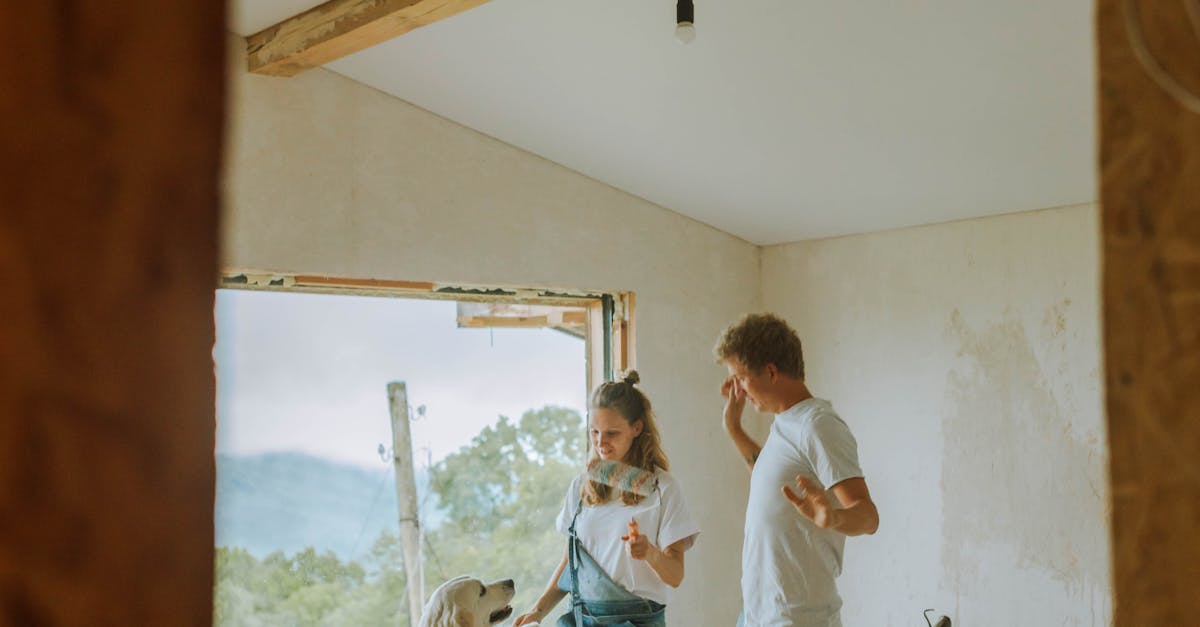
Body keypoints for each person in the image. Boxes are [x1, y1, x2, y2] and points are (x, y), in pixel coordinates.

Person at [715, 313, 879, 627]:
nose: (737, 389)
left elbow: (869, 517)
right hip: (759, 616)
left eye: (741, 378)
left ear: (771, 371)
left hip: (798, 619)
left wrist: (834, 518)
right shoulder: (787, 423)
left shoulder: (818, 425)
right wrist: (733, 427)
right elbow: (773, 485)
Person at [514, 370, 700, 627]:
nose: (601, 443)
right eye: (594, 432)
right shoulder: (581, 486)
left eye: (612, 433)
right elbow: (571, 561)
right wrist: (538, 610)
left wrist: (649, 552)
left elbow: (675, 575)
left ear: (637, 428)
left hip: (637, 620)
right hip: (582, 619)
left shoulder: (663, 489)